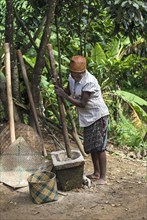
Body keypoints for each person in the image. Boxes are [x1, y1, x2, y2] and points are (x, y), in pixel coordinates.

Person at [55, 55, 109, 185]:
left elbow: (82, 103)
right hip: (87, 117)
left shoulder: (89, 81)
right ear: (71, 72)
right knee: (91, 146)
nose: (76, 77)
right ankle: (96, 173)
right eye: (74, 74)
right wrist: (60, 88)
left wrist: (63, 95)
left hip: (98, 115)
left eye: (79, 74)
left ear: (84, 71)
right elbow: (68, 91)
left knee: (100, 147)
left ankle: (103, 177)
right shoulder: (71, 78)